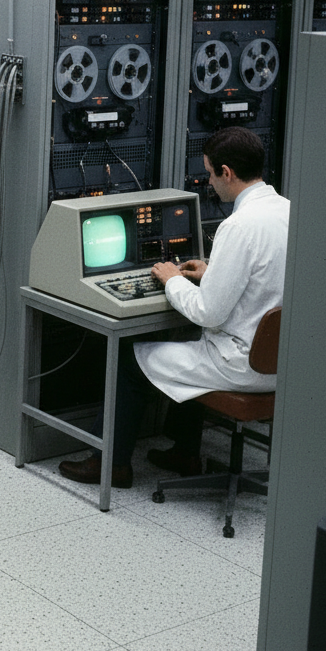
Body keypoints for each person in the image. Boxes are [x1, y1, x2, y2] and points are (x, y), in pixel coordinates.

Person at [59, 126, 289, 488]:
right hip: (281, 367)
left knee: (128, 356)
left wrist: (172, 279)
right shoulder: (288, 211)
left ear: (227, 172)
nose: (210, 183)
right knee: (189, 342)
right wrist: (212, 271)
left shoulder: (239, 226)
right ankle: (184, 453)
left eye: (211, 174)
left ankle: (110, 464)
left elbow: (207, 312)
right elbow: (265, 276)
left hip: (241, 367)